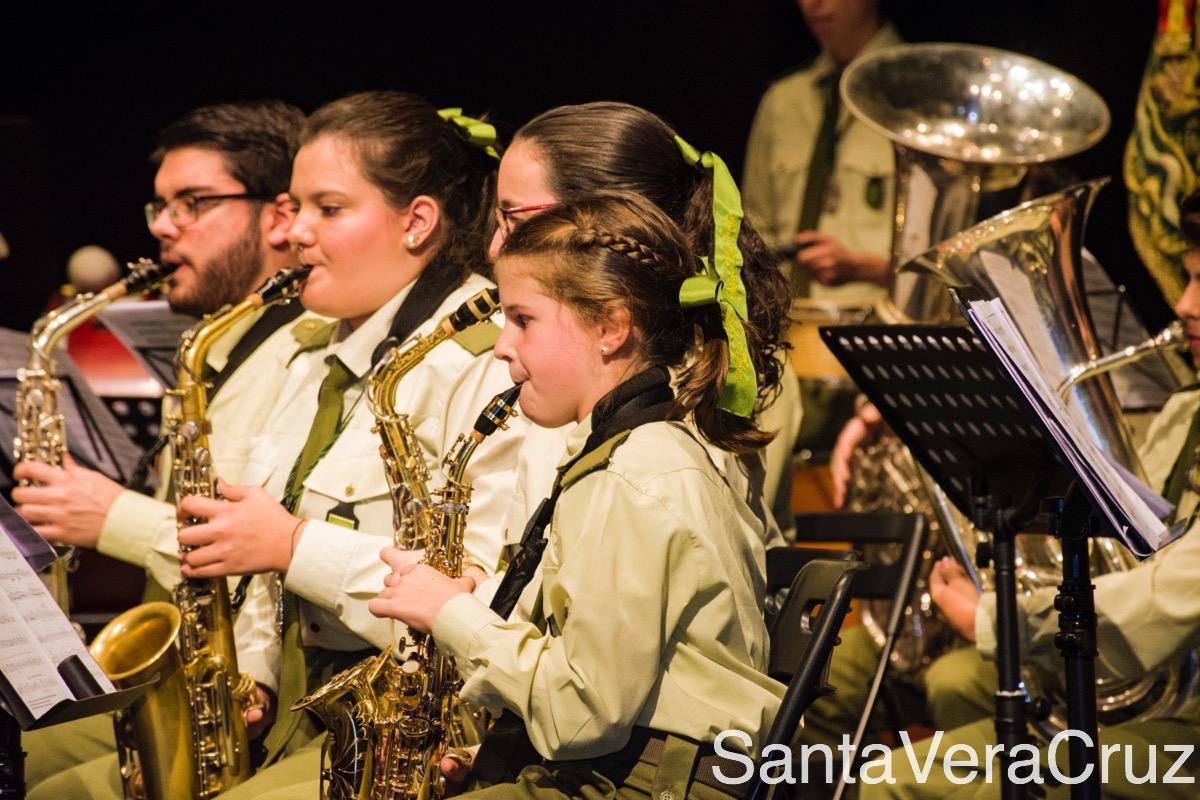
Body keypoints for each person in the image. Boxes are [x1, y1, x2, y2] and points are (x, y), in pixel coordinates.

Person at [28, 91, 526, 799]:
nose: (294, 234)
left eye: (329, 209)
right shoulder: (323, 343)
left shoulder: (482, 356)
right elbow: (256, 536)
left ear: (417, 222)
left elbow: (481, 594)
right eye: (296, 207)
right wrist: (252, 668)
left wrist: (294, 547)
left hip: (405, 718)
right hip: (294, 693)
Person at [370, 190, 790, 800]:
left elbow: (583, 714)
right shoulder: (644, 451)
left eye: (523, 319)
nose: (501, 346)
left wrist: (450, 615)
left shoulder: (630, 477)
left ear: (611, 328)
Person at [859, 191, 1200, 799]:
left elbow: (1163, 601)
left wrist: (993, 616)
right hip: (1160, 688)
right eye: (1187, 279)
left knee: (905, 784)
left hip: (1183, 718)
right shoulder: (1187, 411)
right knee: (904, 754)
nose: (1182, 304)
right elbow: (1132, 526)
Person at [13, 99, 310, 792]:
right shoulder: (210, 351)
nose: (164, 228)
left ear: (278, 213)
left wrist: (110, 516)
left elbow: (263, 555)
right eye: (159, 207)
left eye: (193, 203)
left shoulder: (307, 357)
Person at [490, 101, 800, 539]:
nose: (494, 246)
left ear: (595, 220)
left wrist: (456, 610)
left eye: (513, 218)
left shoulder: (691, 384)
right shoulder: (582, 372)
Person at [742, 0, 898, 303]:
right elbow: (754, 231)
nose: (814, 3)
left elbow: (949, 263)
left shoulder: (923, 98)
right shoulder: (782, 101)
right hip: (787, 326)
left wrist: (867, 269)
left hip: (880, 328)